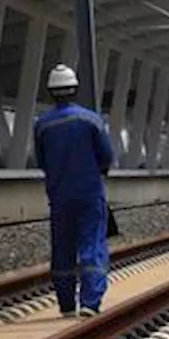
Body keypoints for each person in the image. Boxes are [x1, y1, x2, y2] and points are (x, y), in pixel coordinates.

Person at [33, 64, 115, 318]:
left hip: (59, 195)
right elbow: (106, 157)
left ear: (51, 92)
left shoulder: (42, 125)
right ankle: (90, 302)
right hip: (89, 193)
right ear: (75, 89)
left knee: (63, 248)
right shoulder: (91, 119)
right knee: (92, 245)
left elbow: (41, 161)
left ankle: (66, 304)